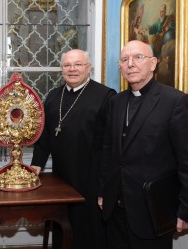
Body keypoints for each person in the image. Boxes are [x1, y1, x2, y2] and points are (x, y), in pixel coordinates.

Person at [100, 40, 188, 249]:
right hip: (116, 211)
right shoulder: (116, 102)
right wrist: (103, 191)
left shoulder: (175, 101)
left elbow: (186, 159)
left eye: (138, 57)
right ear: (120, 67)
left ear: (153, 63)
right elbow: (108, 151)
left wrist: (185, 209)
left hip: (152, 210)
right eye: (124, 60)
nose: (130, 64)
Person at [31, 49, 116, 249]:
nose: (72, 69)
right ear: (61, 69)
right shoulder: (53, 96)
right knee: (63, 228)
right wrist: (36, 165)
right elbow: (44, 138)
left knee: (90, 233)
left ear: (89, 68)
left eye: (78, 64)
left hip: (92, 179)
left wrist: (105, 187)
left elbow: (110, 146)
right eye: (67, 65)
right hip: (61, 179)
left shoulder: (105, 96)